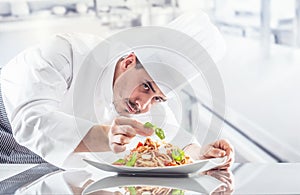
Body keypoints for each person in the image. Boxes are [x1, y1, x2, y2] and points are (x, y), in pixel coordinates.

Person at [0, 11, 234, 169]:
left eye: (157, 98)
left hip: (50, 159)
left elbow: (172, 136)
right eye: (146, 87)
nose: (143, 104)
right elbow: (30, 120)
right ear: (128, 61)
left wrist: (200, 155)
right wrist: (103, 137)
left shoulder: (145, 102)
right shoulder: (66, 52)